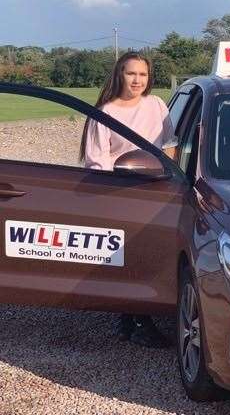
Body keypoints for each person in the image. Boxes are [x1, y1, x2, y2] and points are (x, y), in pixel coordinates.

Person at [79, 51, 177, 348]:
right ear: (119, 75)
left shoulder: (157, 104)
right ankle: (136, 321)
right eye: (131, 73)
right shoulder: (105, 112)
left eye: (143, 74)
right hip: (122, 191)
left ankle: (131, 317)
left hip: (159, 188)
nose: (137, 80)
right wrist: (118, 194)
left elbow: (170, 143)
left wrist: (166, 174)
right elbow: (97, 161)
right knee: (129, 256)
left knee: (153, 253)